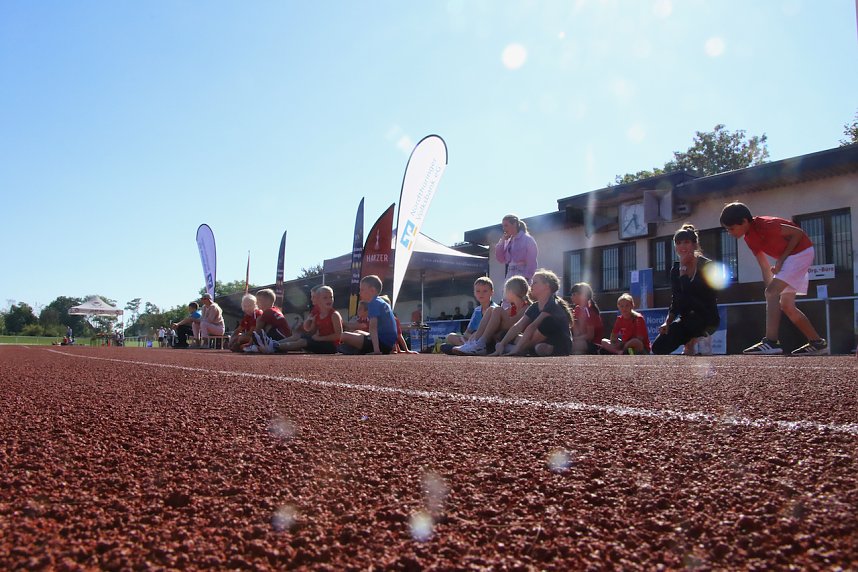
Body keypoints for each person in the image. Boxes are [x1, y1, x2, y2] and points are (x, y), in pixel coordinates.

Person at [720, 202, 828, 355]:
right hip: (791, 258)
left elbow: (797, 233)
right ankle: (817, 343)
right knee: (786, 305)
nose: (729, 233)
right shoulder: (749, 238)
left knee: (772, 293)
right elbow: (764, 266)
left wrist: (781, 260)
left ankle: (771, 342)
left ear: (744, 221)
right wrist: (770, 290)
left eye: (731, 228)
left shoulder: (767, 225)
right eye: (726, 229)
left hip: (801, 253)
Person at [651, 224, 721, 355]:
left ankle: (696, 339)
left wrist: (683, 275)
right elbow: (676, 299)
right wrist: (667, 322)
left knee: (694, 323)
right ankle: (689, 340)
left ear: (694, 244)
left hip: (706, 317)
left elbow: (704, 297)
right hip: (686, 318)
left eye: (686, 242)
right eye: (678, 243)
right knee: (658, 347)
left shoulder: (707, 265)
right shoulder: (675, 269)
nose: (682, 246)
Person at [490, 269, 573, 357]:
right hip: (539, 341)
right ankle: (516, 348)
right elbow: (518, 325)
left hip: (559, 344)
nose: (531, 285)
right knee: (505, 335)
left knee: (545, 325)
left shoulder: (553, 304)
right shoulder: (534, 306)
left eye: (535, 282)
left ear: (546, 286)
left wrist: (516, 350)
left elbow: (532, 326)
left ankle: (519, 348)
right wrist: (502, 344)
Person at [453, 275, 531, 356]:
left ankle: (480, 343)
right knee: (491, 309)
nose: (504, 294)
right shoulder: (511, 307)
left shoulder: (526, 307)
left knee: (497, 309)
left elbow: (514, 324)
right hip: (503, 336)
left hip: (515, 335)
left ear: (511, 291)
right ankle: (477, 343)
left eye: (505, 291)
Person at [271, 286, 343, 354]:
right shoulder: (317, 313)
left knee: (303, 342)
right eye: (325, 298)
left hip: (332, 346)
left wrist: (320, 338)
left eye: (331, 297)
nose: (329, 300)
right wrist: (311, 323)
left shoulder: (334, 315)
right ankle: (274, 344)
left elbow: (339, 335)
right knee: (301, 338)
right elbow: (310, 330)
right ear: (318, 300)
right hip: (320, 342)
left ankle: (274, 346)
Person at [338, 275, 398, 355]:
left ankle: (356, 350)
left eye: (362, 290)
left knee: (344, 335)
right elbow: (391, 327)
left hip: (382, 344)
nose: (359, 293)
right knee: (357, 331)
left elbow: (373, 327)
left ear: (372, 290)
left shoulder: (373, 303)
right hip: (387, 343)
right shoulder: (381, 301)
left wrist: (376, 350)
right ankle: (354, 349)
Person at [442, 277, 497, 354]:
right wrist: (470, 337)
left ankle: (468, 348)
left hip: (488, 340)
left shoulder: (495, 309)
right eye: (478, 291)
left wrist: (476, 335)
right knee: (450, 336)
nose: (481, 294)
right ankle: (468, 347)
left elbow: (494, 331)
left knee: (476, 335)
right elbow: (467, 332)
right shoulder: (477, 310)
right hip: (473, 340)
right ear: (474, 293)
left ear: (492, 292)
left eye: (485, 291)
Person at [245, 289, 292, 353]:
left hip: (281, 337)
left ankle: (264, 345)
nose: (257, 303)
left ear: (267, 301)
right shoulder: (275, 309)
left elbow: (257, 330)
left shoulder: (268, 312)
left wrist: (249, 344)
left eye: (259, 300)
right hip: (286, 338)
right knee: (265, 323)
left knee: (260, 321)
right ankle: (263, 345)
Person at [495, 214, 539, 282]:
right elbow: (500, 259)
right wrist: (502, 241)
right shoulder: (508, 241)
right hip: (510, 274)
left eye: (506, 225)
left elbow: (532, 261)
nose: (504, 228)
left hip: (522, 274)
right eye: (503, 226)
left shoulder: (527, 239)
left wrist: (527, 278)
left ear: (514, 224)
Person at [570, 282, 603, 355]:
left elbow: (590, 336)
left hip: (593, 344)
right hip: (581, 341)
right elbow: (576, 330)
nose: (571, 297)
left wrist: (574, 339)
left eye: (574, 294)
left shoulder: (588, 311)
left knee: (567, 347)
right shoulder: (577, 309)